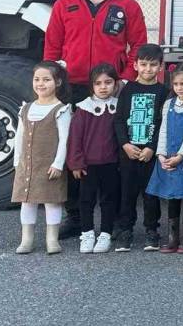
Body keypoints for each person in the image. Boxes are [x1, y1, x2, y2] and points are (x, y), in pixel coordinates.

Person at [43, 0, 147, 238]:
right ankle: (76, 216)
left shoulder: (128, 6)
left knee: (111, 156)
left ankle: (110, 219)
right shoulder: (65, 6)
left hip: (110, 90)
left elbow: (138, 46)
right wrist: (55, 82)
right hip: (73, 89)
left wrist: (124, 80)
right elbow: (52, 48)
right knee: (74, 153)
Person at [12, 61, 71, 255]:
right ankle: (26, 239)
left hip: (49, 165)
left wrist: (58, 164)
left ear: (58, 82)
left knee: (51, 201)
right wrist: (17, 161)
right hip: (27, 165)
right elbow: (19, 136)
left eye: (46, 79)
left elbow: (64, 140)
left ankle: (51, 239)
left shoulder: (61, 110)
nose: (41, 83)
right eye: (37, 79)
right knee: (27, 201)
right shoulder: (26, 109)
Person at [113, 43, 168, 252]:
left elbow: (163, 123)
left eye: (153, 65)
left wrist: (152, 147)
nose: (148, 69)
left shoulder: (164, 92)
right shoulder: (127, 90)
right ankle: (125, 231)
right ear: (135, 65)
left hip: (149, 154)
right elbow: (118, 120)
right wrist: (125, 144)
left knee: (150, 195)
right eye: (143, 64)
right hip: (129, 153)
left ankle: (152, 231)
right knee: (127, 193)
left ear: (161, 66)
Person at [146, 63, 183, 254]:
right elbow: (163, 129)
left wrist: (180, 156)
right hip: (168, 156)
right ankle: (173, 237)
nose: (179, 88)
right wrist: (161, 154)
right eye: (176, 84)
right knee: (172, 195)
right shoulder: (169, 104)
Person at [67, 63, 121, 254]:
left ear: (115, 84)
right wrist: (76, 162)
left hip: (111, 164)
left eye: (108, 82)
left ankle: (105, 234)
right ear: (91, 86)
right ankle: (87, 233)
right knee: (86, 201)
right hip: (88, 165)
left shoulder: (118, 107)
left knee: (109, 200)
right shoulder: (84, 108)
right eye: (98, 83)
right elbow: (75, 138)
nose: (103, 87)